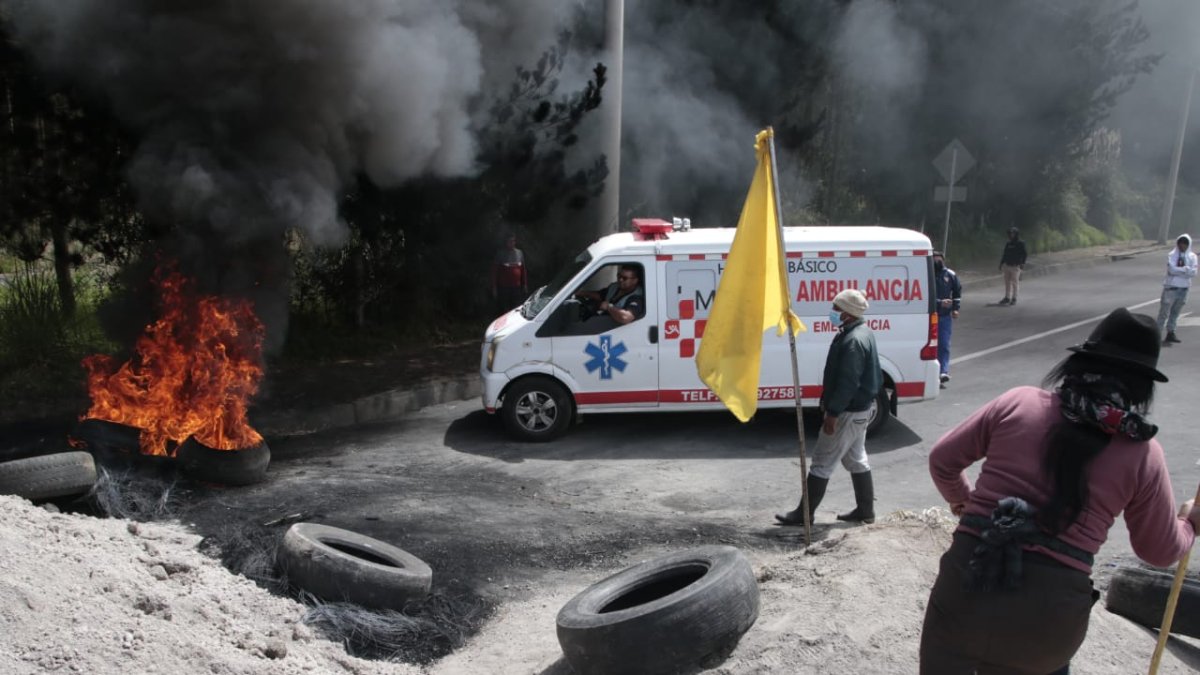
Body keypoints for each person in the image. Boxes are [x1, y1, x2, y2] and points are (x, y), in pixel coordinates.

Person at [919, 307, 1200, 674]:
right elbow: (1159, 550)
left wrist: (965, 501)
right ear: (1141, 386)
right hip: (1047, 620)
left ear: (1080, 362)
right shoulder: (1142, 454)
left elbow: (943, 459)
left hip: (967, 584)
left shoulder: (1017, 403)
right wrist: (1189, 523)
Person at [776, 288, 882, 526]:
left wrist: (832, 414)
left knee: (822, 462)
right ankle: (865, 511)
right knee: (856, 458)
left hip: (848, 412)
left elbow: (848, 383)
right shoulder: (860, 331)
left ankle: (804, 515)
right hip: (860, 410)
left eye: (837, 308)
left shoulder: (853, 340)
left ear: (848, 313)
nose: (833, 312)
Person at [1156, 233, 1197, 345]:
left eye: (1185, 243)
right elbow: (1171, 270)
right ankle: (1156, 335)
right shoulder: (1172, 255)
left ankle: (1171, 333)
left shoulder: (1192, 256)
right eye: (1180, 243)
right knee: (1163, 313)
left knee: (1175, 313)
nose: (1182, 245)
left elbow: (1193, 273)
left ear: (1188, 244)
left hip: (1184, 289)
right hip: (1171, 288)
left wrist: (1181, 270)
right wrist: (1185, 269)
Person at [574, 264, 645, 325]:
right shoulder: (615, 286)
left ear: (635, 281)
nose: (620, 280)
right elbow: (599, 295)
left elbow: (626, 317)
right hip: (600, 322)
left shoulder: (637, 297)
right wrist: (580, 293)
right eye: (619, 276)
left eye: (624, 278)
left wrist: (608, 307)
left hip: (614, 330)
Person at [933, 251, 961, 386]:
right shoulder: (926, 275)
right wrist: (939, 302)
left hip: (944, 317)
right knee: (930, 346)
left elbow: (957, 292)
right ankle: (932, 375)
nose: (937, 262)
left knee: (944, 344)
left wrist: (955, 308)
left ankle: (943, 372)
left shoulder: (950, 275)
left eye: (939, 260)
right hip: (929, 316)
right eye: (934, 260)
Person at [492, 233, 528, 313]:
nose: (512, 243)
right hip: (504, 288)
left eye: (513, 241)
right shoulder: (500, 254)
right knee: (504, 309)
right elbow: (495, 271)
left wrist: (525, 284)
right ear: (506, 242)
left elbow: (523, 269)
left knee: (516, 308)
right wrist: (494, 287)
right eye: (510, 241)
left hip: (516, 287)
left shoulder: (519, 253)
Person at [997, 227, 1027, 306]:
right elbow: (1005, 254)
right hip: (1007, 265)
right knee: (1007, 282)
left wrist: (1022, 263)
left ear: (1016, 234)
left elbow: (1024, 254)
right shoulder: (1008, 243)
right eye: (1010, 233)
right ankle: (1007, 297)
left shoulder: (1021, 243)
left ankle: (1014, 298)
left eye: (1012, 233)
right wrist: (1001, 264)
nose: (1010, 235)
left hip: (1015, 266)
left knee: (1015, 283)